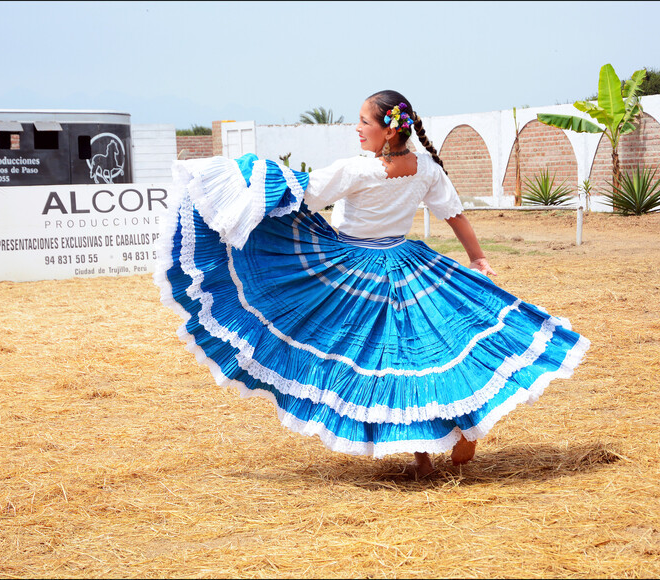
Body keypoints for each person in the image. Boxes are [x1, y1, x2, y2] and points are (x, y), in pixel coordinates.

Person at [154, 90, 590, 479]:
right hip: (407, 265)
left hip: (353, 269)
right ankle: (448, 437)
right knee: (426, 353)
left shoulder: (358, 170)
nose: (357, 129)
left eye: (363, 121)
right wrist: (476, 256)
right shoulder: (425, 170)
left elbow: (305, 193)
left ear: (387, 130)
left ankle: (426, 452)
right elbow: (453, 213)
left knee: (383, 358)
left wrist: (249, 178)